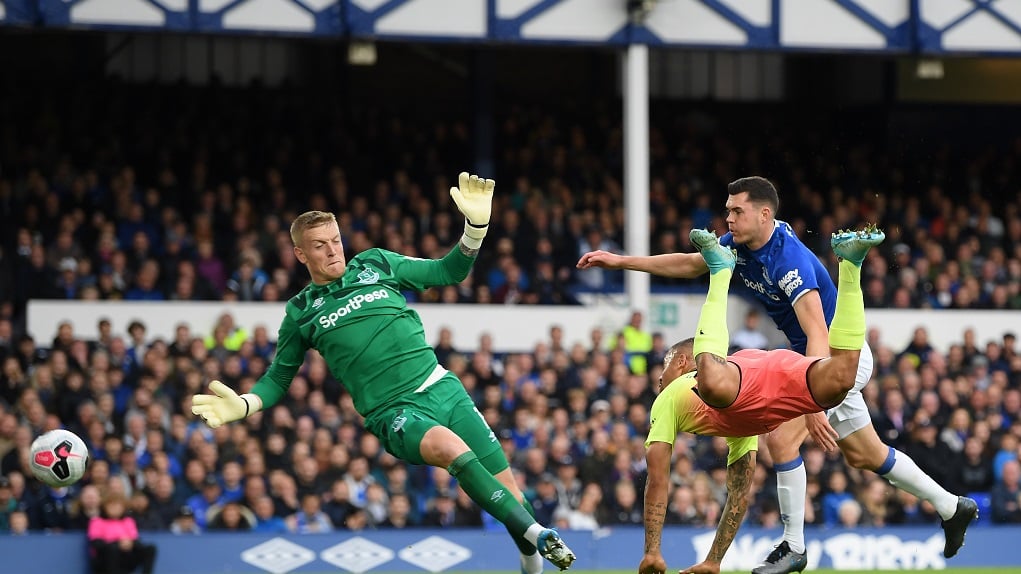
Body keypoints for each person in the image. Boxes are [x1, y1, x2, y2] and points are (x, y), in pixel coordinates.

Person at [579, 177, 977, 572]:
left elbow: (818, 331)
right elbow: (689, 263)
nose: (728, 218)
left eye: (738, 211)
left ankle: (794, 546)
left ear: (764, 213)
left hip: (832, 360)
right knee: (865, 454)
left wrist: (813, 406)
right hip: (808, 361)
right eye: (728, 210)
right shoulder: (740, 245)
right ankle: (951, 506)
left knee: (782, 439)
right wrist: (621, 261)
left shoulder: (789, 260)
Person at [192, 172, 576, 572]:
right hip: (394, 412)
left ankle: (531, 556)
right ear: (300, 255)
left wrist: (475, 229)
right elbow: (278, 377)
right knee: (451, 449)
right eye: (319, 246)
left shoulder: (376, 263)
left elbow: (449, 272)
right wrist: (248, 403)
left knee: (513, 496)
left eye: (336, 240)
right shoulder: (301, 311)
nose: (332, 251)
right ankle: (539, 534)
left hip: (443, 387)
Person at [639, 227, 879, 574]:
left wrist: (653, 551)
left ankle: (720, 274)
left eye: (663, 370)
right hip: (766, 388)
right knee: (841, 377)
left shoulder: (670, 395)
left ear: (680, 364)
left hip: (751, 376)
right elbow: (738, 494)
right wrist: (713, 561)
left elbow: (657, 479)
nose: (659, 380)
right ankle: (851, 267)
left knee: (713, 384)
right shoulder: (739, 429)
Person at [87, 495, 157, 574]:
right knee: (113, 549)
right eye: (112, 505)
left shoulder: (128, 521)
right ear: (105, 506)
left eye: (118, 505)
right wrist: (117, 543)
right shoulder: (97, 521)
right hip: (105, 560)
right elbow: (96, 544)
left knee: (151, 548)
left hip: (126, 557)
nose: (115, 508)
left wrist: (131, 543)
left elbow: (136, 541)